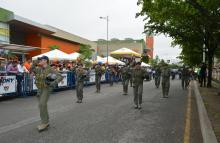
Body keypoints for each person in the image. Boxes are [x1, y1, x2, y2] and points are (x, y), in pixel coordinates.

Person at [30, 56, 63, 132]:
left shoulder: (50, 69)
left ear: (45, 61)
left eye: (41, 60)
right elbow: (31, 69)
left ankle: (44, 123)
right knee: (42, 106)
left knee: (42, 104)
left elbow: (60, 76)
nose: (40, 61)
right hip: (40, 89)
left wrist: (53, 83)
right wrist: (35, 62)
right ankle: (46, 121)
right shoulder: (39, 69)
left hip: (46, 89)